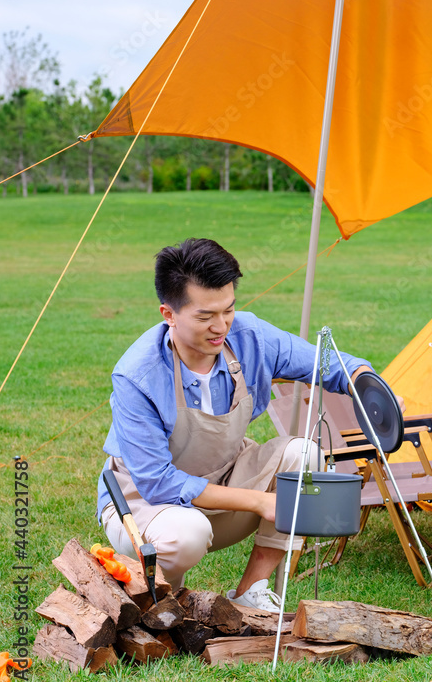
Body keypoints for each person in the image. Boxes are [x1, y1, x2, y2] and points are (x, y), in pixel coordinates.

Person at [96, 238, 385, 611]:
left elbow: (327, 361)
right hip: (144, 504)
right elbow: (158, 482)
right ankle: (166, 603)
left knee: (304, 456)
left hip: (224, 480)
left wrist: (368, 384)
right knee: (187, 533)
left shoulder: (250, 337)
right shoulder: (137, 376)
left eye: (228, 310)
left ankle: (251, 591)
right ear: (168, 314)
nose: (221, 327)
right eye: (205, 317)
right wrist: (260, 501)